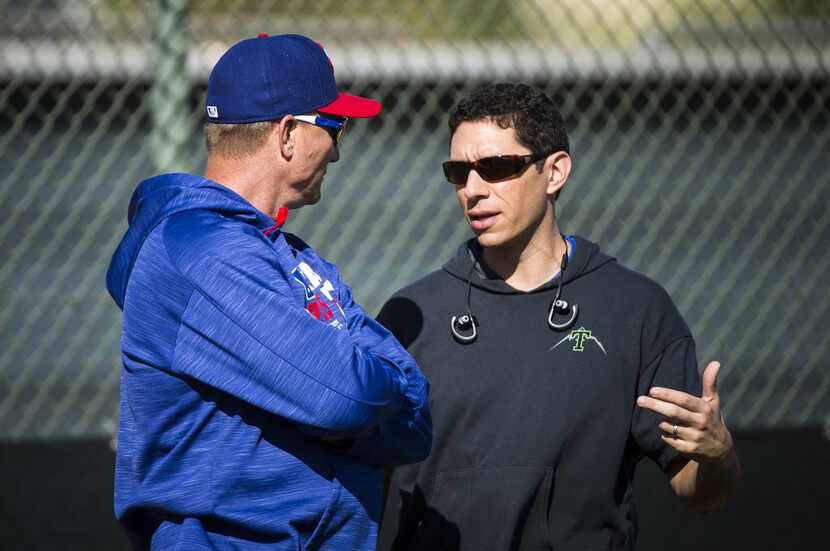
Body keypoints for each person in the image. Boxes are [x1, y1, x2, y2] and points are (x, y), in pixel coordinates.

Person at [376, 83, 740, 551]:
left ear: (555, 172)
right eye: (458, 172)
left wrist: (718, 455)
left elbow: (701, 492)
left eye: (495, 168)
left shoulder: (635, 310)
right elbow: (367, 478)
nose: (472, 190)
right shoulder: (412, 317)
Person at [105, 34, 431, 550]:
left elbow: (415, 417)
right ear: (288, 135)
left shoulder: (292, 257)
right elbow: (346, 396)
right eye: (335, 127)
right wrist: (352, 407)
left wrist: (344, 407)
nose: (338, 153)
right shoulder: (195, 249)